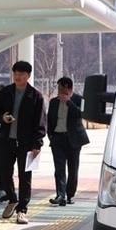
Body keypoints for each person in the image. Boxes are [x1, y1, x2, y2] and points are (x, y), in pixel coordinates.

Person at [0, 60, 46, 225]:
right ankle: (12, 199)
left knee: (25, 177)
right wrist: (2, 118)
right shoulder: (5, 93)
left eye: (21, 74)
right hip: (7, 140)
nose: (17, 77)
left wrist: (37, 144)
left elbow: (41, 122)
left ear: (28, 76)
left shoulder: (36, 96)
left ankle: (22, 210)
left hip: (27, 143)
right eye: (15, 74)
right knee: (4, 172)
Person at [46, 76, 91, 205]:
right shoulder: (53, 102)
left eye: (63, 89)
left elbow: (81, 114)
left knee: (73, 168)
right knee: (59, 169)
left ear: (69, 89)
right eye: (59, 89)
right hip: (57, 139)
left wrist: (69, 102)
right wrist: (51, 136)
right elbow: (50, 120)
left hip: (74, 140)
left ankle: (70, 194)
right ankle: (60, 195)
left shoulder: (79, 100)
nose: (60, 92)